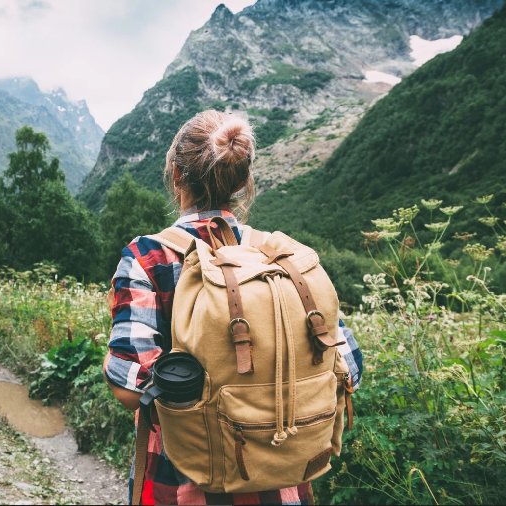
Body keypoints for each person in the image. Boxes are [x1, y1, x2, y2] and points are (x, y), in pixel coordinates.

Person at [103, 110, 362, 505]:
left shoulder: (150, 257)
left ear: (176, 174)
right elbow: (350, 367)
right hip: (284, 482)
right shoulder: (280, 259)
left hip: (185, 481)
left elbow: (126, 387)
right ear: (244, 181)